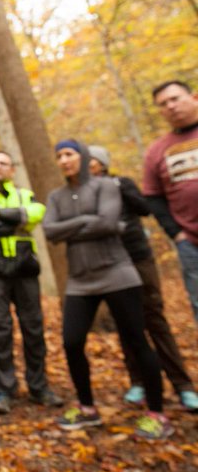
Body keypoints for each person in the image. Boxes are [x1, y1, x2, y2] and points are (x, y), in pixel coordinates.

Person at [43, 140, 172, 441]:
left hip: (117, 273)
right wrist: (89, 221)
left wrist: (75, 228)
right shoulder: (56, 196)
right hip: (79, 279)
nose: (64, 160)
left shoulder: (106, 186)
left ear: (83, 157)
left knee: (136, 340)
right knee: (72, 342)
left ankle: (157, 413)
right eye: (59, 156)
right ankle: (87, 408)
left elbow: (108, 221)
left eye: (69, 154)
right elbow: (50, 231)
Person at [88, 145, 198, 413]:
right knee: (126, 323)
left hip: (138, 257)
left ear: (101, 163)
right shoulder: (84, 192)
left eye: (91, 161)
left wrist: (120, 189)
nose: (87, 166)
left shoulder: (122, 182)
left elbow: (144, 209)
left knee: (154, 319)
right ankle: (138, 381)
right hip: (110, 262)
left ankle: (182, 385)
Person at [0, 151, 62, 414]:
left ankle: (39, 386)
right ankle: (4, 389)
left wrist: (0, 219)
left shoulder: (24, 193)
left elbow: (37, 211)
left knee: (33, 326)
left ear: (12, 170)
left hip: (25, 267)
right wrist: (16, 219)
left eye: (3, 163)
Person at [142, 80, 198, 326]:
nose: (171, 106)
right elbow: (152, 196)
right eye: (163, 104)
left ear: (193, 98)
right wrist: (176, 234)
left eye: (175, 99)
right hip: (191, 243)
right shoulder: (157, 150)